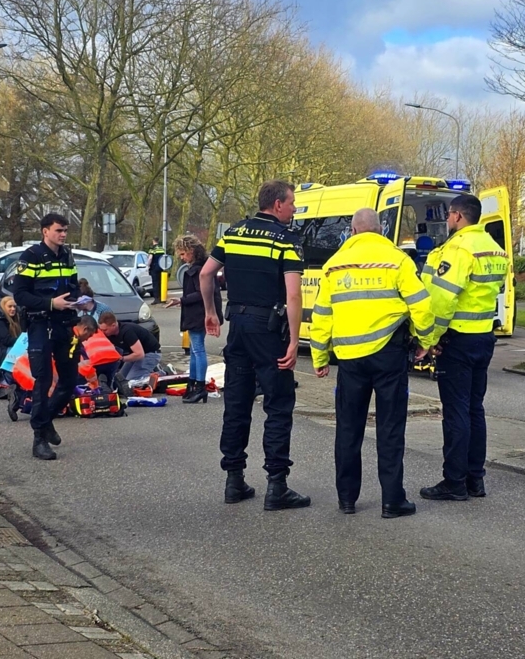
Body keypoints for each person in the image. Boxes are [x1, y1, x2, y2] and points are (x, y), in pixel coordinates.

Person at [310, 209, 435, 518]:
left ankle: (347, 499)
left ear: (353, 231)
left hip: (350, 360)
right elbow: (421, 305)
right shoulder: (398, 260)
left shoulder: (333, 265)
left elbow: (322, 315)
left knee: (348, 428)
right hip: (389, 354)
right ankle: (392, 501)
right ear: (380, 230)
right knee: (390, 428)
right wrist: (425, 340)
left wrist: (319, 356)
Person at [200, 179, 310, 511]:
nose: (294, 209)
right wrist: (294, 340)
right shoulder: (286, 240)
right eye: (291, 203)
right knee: (278, 404)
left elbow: (206, 274)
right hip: (268, 330)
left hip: (238, 327)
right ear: (277, 204)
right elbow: (293, 295)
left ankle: (234, 481)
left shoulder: (234, 233)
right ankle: (277, 486)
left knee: (237, 403)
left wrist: (210, 312)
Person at [419, 194, 508, 502]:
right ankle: (475, 479)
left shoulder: (458, 249)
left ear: (457, 216)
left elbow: (444, 299)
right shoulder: (494, 249)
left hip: (457, 339)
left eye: (449, 215)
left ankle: (454, 482)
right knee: (474, 410)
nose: (448, 220)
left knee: (456, 412)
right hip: (484, 337)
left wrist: (431, 337)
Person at [13, 212, 80, 461]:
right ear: (45, 231)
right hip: (41, 324)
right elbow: (20, 295)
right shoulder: (31, 256)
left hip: (64, 324)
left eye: (65, 230)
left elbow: (73, 285)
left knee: (69, 380)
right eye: (58, 230)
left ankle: (46, 420)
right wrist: (51, 303)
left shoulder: (67, 255)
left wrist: (79, 301)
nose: (63, 234)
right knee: (43, 381)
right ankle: (39, 439)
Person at [166, 235, 222, 404]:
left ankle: (198, 386)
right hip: (200, 313)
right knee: (194, 349)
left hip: (198, 314)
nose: (181, 258)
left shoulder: (198, 271)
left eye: (183, 254)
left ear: (191, 251)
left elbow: (201, 293)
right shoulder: (204, 267)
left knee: (197, 349)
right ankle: (194, 384)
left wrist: (181, 300)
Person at [98, 311, 161, 384]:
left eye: (105, 330)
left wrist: (121, 358)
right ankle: (150, 372)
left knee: (131, 382)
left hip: (151, 354)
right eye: (101, 330)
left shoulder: (127, 332)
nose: (103, 332)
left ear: (113, 325)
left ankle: (163, 374)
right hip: (134, 355)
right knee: (120, 380)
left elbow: (140, 354)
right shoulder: (110, 334)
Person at [147, 237, 165, 304]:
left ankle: (156, 299)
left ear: (153, 241)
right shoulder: (162, 249)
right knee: (161, 283)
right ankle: (162, 297)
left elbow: (150, 258)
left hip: (154, 268)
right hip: (161, 267)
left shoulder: (152, 249)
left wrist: (148, 265)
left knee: (155, 283)